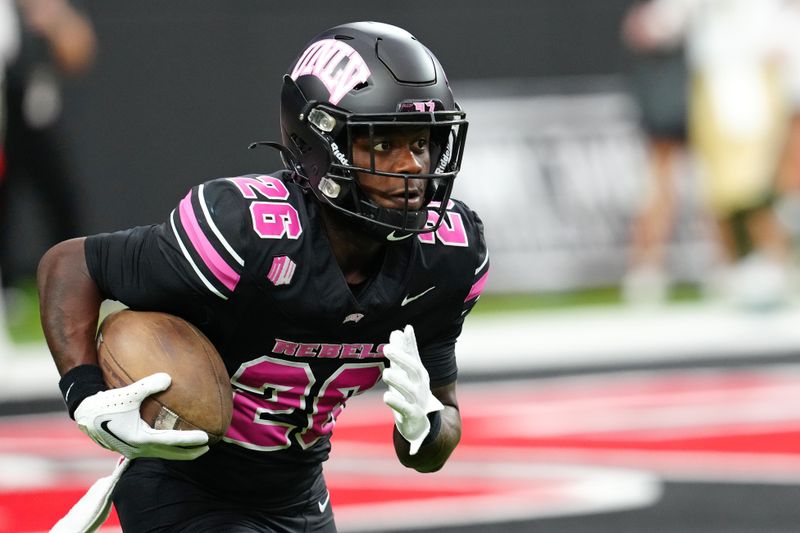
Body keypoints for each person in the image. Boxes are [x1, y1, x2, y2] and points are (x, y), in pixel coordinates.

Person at [37, 21, 487, 532]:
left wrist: (426, 427)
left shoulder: (444, 256)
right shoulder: (247, 232)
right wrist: (84, 393)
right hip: (182, 484)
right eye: (384, 144)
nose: (413, 167)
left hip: (298, 491)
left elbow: (433, 441)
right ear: (321, 139)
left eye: (424, 144)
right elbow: (70, 264)